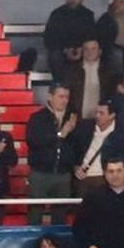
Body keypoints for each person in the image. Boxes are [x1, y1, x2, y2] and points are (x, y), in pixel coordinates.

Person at [25, 85, 81, 224]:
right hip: (40, 173)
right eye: (61, 96)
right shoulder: (37, 118)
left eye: (67, 97)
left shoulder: (72, 119)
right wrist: (61, 135)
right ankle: (33, 243)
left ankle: (58, 244)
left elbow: (77, 145)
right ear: (50, 97)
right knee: (35, 213)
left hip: (63, 173)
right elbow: (34, 141)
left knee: (60, 214)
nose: (64, 100)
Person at [70, 101, 124, 197]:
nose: (97, 116)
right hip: (83, 177)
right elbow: (73, 150)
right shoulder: (85, 127)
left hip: (105, 177)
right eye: (96, 112)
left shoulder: (120, 135)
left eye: (101, 113)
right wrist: (75, 167)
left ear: (112, 115)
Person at [45, 0, 97, 79]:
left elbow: (92, 36)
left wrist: (82, 50)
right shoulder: (57, 14)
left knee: (92, 54)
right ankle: (60, 86)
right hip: (62, 51)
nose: (73, 0)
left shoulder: (88, 15)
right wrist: (65, 50)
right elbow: (49, 37)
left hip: (82, 50)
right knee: (55, 56)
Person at [65, 38, 117, 120]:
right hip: (78, 120)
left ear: (100, 51)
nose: (90, 52)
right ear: (82, 51)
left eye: (93, 48)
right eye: (86, 49)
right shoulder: (72, 71)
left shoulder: (108, 72)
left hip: (101, 121)